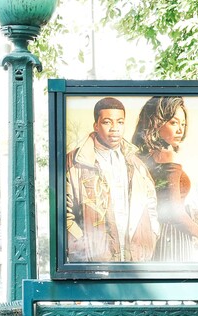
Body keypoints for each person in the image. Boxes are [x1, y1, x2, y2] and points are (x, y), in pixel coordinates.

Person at [65, 96, 160, 262]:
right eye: (107, 122)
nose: (115, 128)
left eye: (120, 122)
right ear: (96, 125)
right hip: (95, 264)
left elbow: (151, 206)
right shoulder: (75, 162)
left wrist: (151, 236)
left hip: (134, 261)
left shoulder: (136, 164)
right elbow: (65, 215)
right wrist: (85, 249)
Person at [133, 96, 198, 260]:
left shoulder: (142, 157)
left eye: (183, 124)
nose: (180, 130)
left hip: (156, 234)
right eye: (174, 122)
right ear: (156, 122)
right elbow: (175, 212)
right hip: (174, 235)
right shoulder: (167, 155)